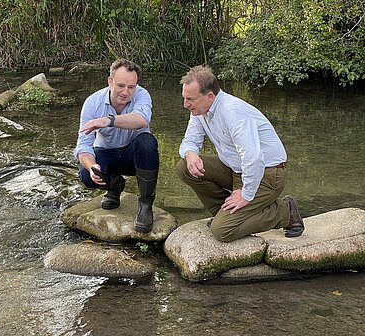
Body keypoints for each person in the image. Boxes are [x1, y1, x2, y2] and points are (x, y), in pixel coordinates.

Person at [176, 65, 304, 242]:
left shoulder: (232, 112)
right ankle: (227, 213)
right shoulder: (199, 110)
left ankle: (284, 211)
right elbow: (190, 140)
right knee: (184, 167)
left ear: (210, 96)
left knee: (221, 232)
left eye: (190, 99)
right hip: (237, 169)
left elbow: (253, 158)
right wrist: (190, 153)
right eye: (184, 98)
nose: (185, 104)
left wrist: (246, 194)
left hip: (268, 174)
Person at [73, 58, 159, 233]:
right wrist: (91, 166)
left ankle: (145, 205)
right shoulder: (92, 103)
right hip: (107, 153)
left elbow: (142, 120)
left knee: (147, 141)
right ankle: (114, 187)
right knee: (85, 173)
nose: (125, 92)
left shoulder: (142, 95)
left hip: (134, 156)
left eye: (131, 87)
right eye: (120, 85)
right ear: (110, 81)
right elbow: (83, 145)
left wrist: (108, 121)